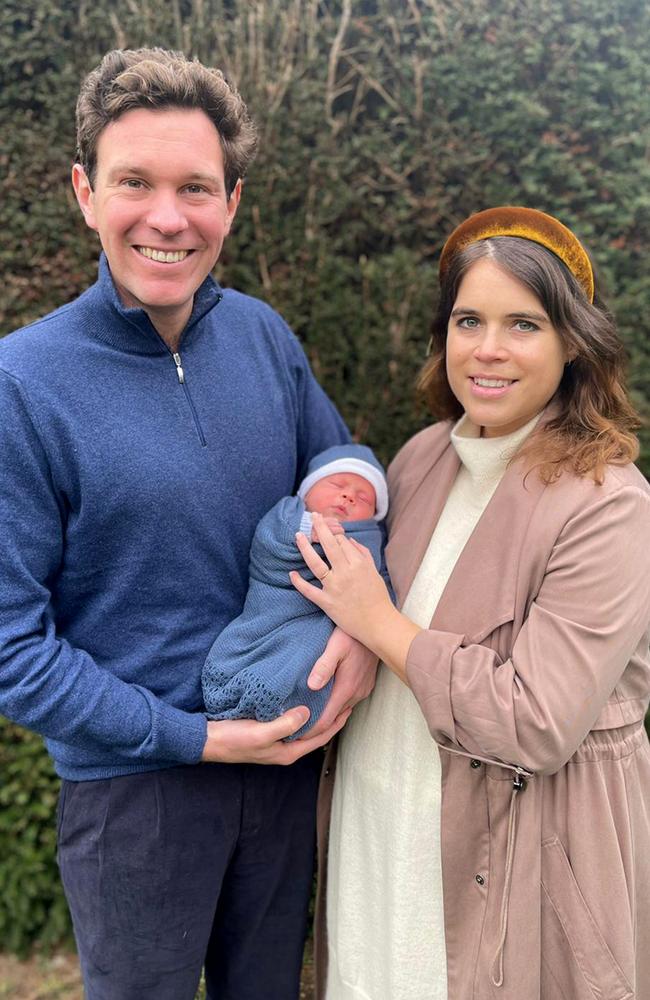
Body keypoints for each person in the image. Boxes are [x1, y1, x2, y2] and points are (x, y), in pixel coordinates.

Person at [0, 47, 379, 1000]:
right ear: (86, 192)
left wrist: (367, 638)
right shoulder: (21, 386)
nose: (167, 217)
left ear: (232, 204)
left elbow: (350, 496)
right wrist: (197, 738)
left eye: (196, 188)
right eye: (135, 182)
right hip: (135, 797)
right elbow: (11, 648)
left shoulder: (263, 337)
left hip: (290, 770)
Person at [291, 207, 650, 1000]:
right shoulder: (422, 457)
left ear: (573, 344)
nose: (488, 349)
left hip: (507, 866)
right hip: (375, 830)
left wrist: (375, 619)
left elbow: (535, 720)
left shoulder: (609, 503)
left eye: (523, 324)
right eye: (468, 320)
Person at [203, 444, 388, 738]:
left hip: (323, 625)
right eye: (337, 484)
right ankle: (241, 693)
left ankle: (295, 712)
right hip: (278, 607)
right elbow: (267, 543)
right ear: (307, 491)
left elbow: (382, 585)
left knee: (311, 659)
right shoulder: (290, 512)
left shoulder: (372, 539)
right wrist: (307, 529)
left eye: (363, 496)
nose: (348, 495)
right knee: (271, 649)